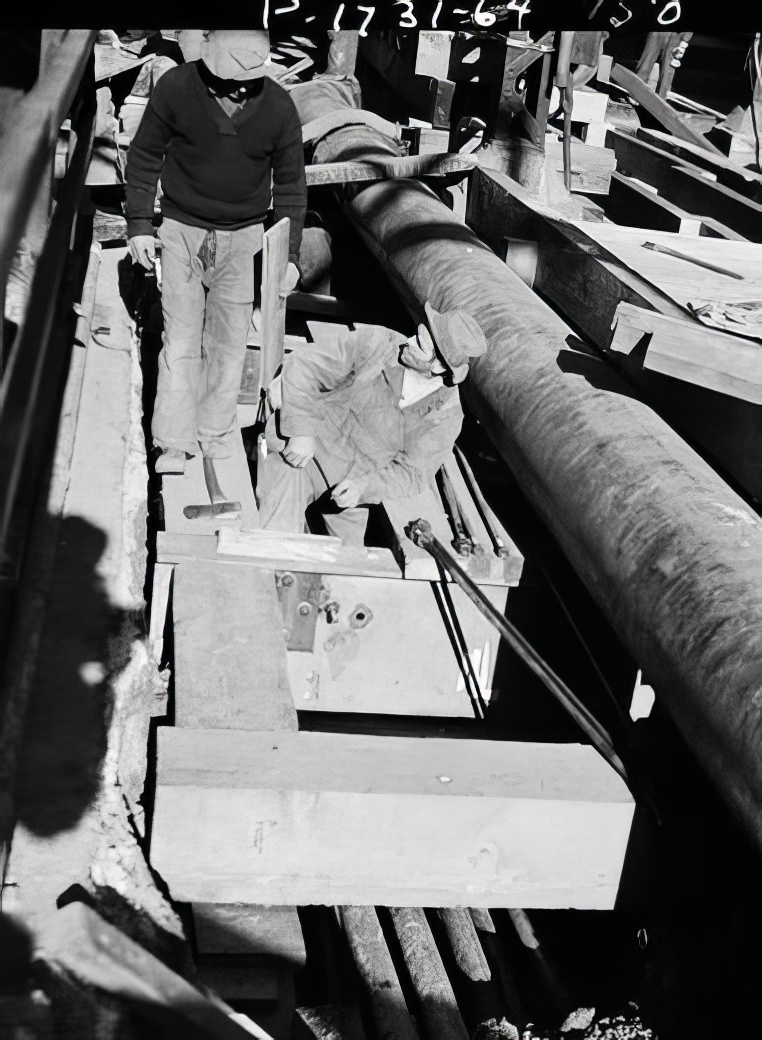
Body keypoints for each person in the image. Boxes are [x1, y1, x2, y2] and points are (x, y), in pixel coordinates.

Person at [125, 29, 307, 473]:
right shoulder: (177, 89)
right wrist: (139, 227)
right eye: (233, 74)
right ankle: (172, 442)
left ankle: (214, 432)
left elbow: (290, 189)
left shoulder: (280, 108)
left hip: (244, 237)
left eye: (251, 74)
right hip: (182, 229)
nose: (242, 83)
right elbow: (145, 155)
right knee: (182, 339)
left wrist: (289, 259)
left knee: (227, 345)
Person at [256, 302, 488, 545]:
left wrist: (363, 487)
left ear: (440, 366)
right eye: (418, 334)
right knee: (277, 543)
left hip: (350, 488)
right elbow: (305, 366)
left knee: (349, 571)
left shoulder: (445, 415)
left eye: (421, 345)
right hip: (303, 456)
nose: (409, 341)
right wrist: (301, 432)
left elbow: (412, 473)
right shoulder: (379, 343)